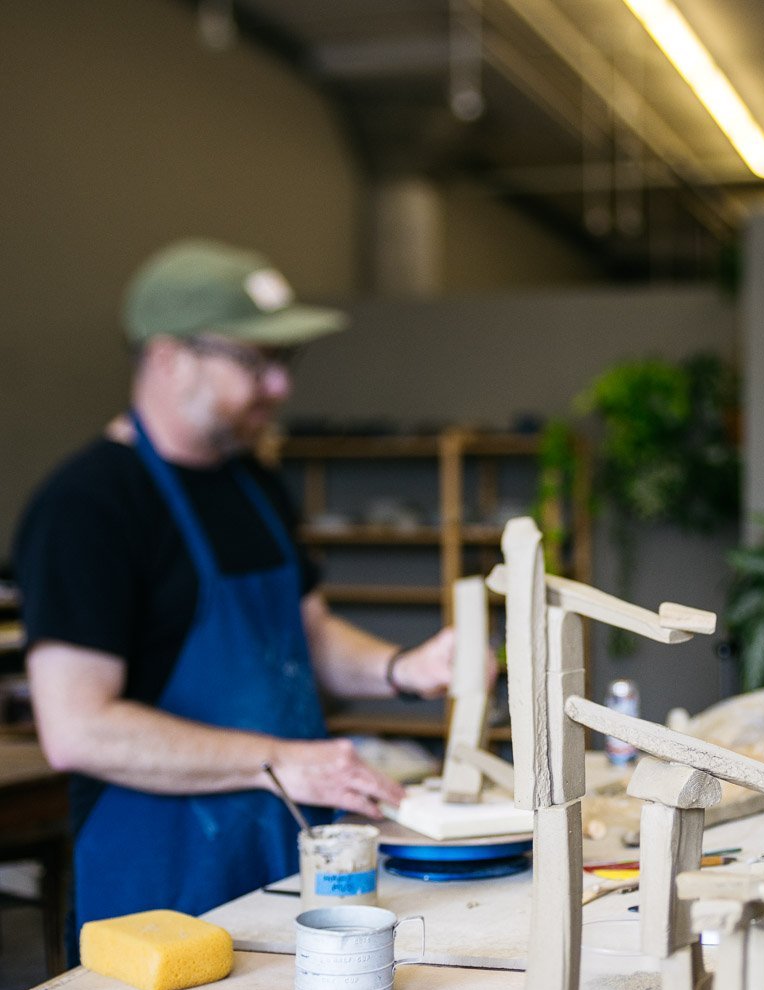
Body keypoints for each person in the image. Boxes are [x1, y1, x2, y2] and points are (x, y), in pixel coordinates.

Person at [14, 239, 459, 948]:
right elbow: (77, 728)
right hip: (159, 885)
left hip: (283, 853)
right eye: (255, 362)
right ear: (167, 358)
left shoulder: (252, 485)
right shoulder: (88, 506)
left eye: (284, 362)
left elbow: (305, 637)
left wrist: (405, 669)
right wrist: (282, 758)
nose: (279, 388)